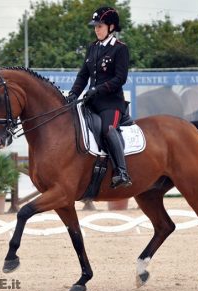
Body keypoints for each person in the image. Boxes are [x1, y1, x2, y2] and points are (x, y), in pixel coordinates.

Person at [66, 6, 132, 189]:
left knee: (108, 129)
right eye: (95, 26)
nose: (96, 29)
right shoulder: (92, 48)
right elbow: (83, 75)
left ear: (111, 27)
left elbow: (120, 79)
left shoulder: (120, 49)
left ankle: (122, 171)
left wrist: (97, 90)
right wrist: (73, 94)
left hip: (111, 103)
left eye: (100, 26)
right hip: (91, 101)